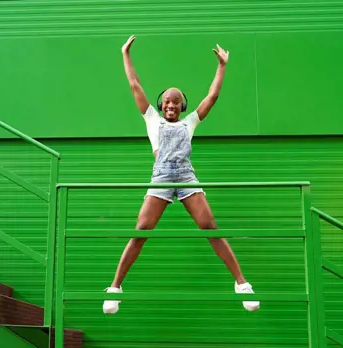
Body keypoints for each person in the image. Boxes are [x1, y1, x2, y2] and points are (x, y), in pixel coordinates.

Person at [103, 35, 259, 315]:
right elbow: (134, 85)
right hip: (161, 177)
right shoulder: (151, 118)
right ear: (161, 105)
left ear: (182, 106)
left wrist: (222, 66)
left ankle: (242, 284)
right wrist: (125, 54)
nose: (171, 105)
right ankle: (115, 287)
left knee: (210, 227)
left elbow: (212, 97)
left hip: (186, 176)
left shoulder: (191, 122)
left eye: (176, 102)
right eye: (167, 102)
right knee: (140, 231)